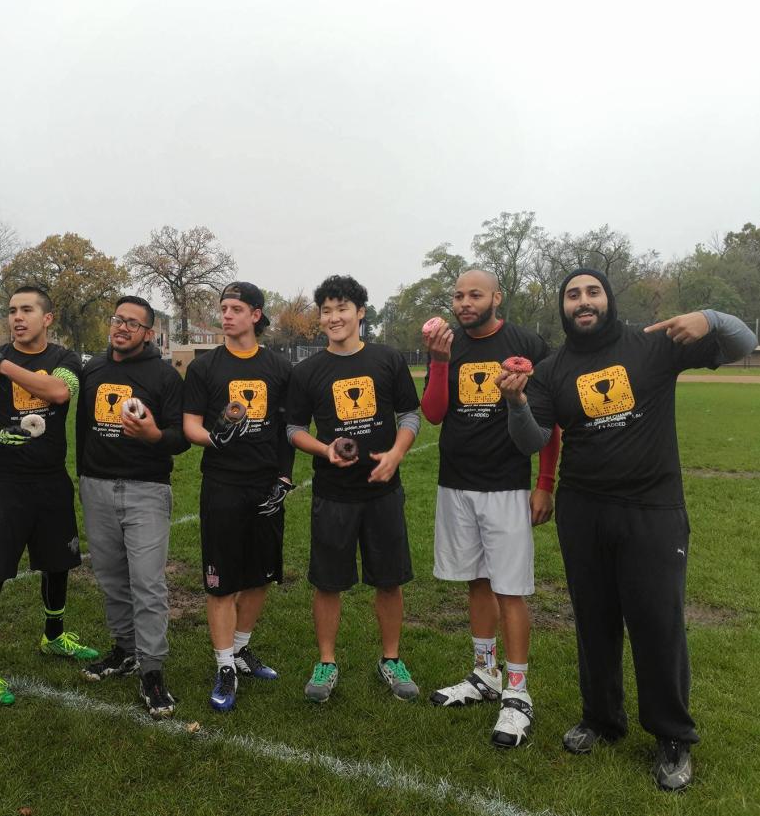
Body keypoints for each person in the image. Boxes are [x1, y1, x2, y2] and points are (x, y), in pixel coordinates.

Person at [498, 268, 757, 790]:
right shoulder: (553, 368)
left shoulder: (652, 343)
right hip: (583, 510)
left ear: (608, 299)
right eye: (573, 295)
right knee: (593, 622)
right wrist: (516, 401)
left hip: (652, 508)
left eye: (592, 292)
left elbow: (744, 342)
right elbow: (530, 441)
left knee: (657, 624)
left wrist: (709, 318)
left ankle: (672, 736)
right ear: (564, 307)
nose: (583, 301)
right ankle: (602, 720)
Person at [420, 268, 560, 748]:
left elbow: (549, 421)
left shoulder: (527, 343)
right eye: (458, 295)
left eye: (474, 294)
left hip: (506, 486)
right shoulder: (449, 344)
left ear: (496, 297)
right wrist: (438, 363)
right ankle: (485, 674)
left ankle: (518, 695)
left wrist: (544, 483)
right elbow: (435, 414)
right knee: (477, 580)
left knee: (511, 589)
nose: (464, 302)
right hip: (456, 483)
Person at [286, 274, 421, 704]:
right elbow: (292, 429)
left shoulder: (387, 359)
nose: (333, 317)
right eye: (326, 310)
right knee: (328, 582)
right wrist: (325, 450)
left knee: (389, 580)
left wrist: (396, 454)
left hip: (382, 490)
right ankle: (326, 662)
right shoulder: (307, 371)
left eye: (342, 308)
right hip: (333, 493)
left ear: (361, 312)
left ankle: (391, 658)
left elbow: (410, 414)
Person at [0, 286, 98, 706]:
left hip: (51, 480)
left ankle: (53, 636)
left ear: (47, 318)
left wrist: (3, 366)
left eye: (26, 310)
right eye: (12, 311)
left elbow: (58, 393)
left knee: (58, 564)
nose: (17, 317)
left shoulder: (64, 359)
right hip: (3, 482)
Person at [182, 282, 295, 712]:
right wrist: (216, 436)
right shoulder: (205, 368)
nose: (227, 316)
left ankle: (242, 650)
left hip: (265, 485)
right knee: (221, 582)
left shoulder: (280, 369)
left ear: (256, 314)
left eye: (235, 309)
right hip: (223, 484)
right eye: (223, 308)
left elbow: (289, 431)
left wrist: (283, 480)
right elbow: (191, 425)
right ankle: (224, 665)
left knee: (259, 576)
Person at [76, 296, 190, 718]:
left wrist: (153, 435)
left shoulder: (163, 375)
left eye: (132, 323)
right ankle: (125, 650)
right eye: (117, 319)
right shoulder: (93, 370)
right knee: (110, 578)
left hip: (146, 489)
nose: (121, 327)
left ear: (148, 333)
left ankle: (152, 669)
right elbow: (81, 430)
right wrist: (83, 477)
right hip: (96, 487)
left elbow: (181, 437)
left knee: (147, 582)